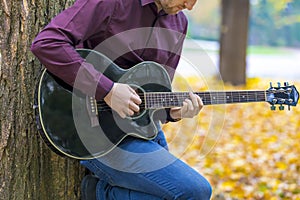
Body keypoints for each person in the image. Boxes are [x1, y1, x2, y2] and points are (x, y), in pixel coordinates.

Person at [31, 0, 212, 199]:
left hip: (141, 130)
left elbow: (155, 91)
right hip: (92, 131)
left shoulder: (179, 24)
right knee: (195, 191)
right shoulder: (113, 2)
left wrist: (173, 112)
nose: (189, 6)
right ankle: (101, 194)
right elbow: (48, 43)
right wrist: (107, 90)